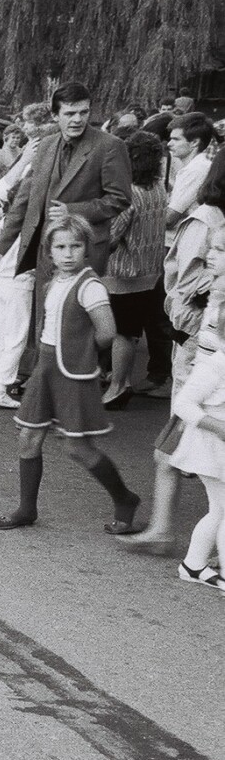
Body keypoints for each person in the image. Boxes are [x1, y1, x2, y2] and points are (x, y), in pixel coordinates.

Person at [0, 215, 142, 533]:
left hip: (73, 373)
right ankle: (26, 509)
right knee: (28, 438)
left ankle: (125, 498)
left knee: (78, 447)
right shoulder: (51, 283)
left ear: (87, 249)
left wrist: (82, 354)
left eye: (76, 246)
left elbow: (107, 331)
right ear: (49, 251)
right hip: (46, 368)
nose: (68, 253)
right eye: (60, 247)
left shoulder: (90, 286)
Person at [120, 153, 225, 553]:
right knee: (174, 452)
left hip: (202, 360)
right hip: (203, 356)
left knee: (173, 451)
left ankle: (172, 536)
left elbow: (182, 284)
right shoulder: (211, 225)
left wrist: (184, 314)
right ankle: (167, 531)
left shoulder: (206, 222)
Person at [0, 81, 133, 281]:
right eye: (70, 114)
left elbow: (120, 199)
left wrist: (74, 211)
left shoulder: (110, 146)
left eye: (83, 113)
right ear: (55, 115)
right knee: (45, 310)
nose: (78, 119)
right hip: (46, 250)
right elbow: (25, 199)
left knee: (75, 309)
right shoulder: (45, 145)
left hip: (84, 251)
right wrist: (1, 246)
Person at [101, 131, 169, 407]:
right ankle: (121, 380)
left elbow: (113, 235)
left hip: (122, 272)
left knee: (121, 333)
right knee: (130, 331)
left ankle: (117, 386)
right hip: (149, 271)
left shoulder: (129, 193)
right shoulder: (158, 188)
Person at [170, 323, 225, 590]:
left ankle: (193, 565)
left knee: (219, 509)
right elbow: (183, 403)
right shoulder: (216, 365)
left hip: (219, 450)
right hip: (210, 448)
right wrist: (218, 427)